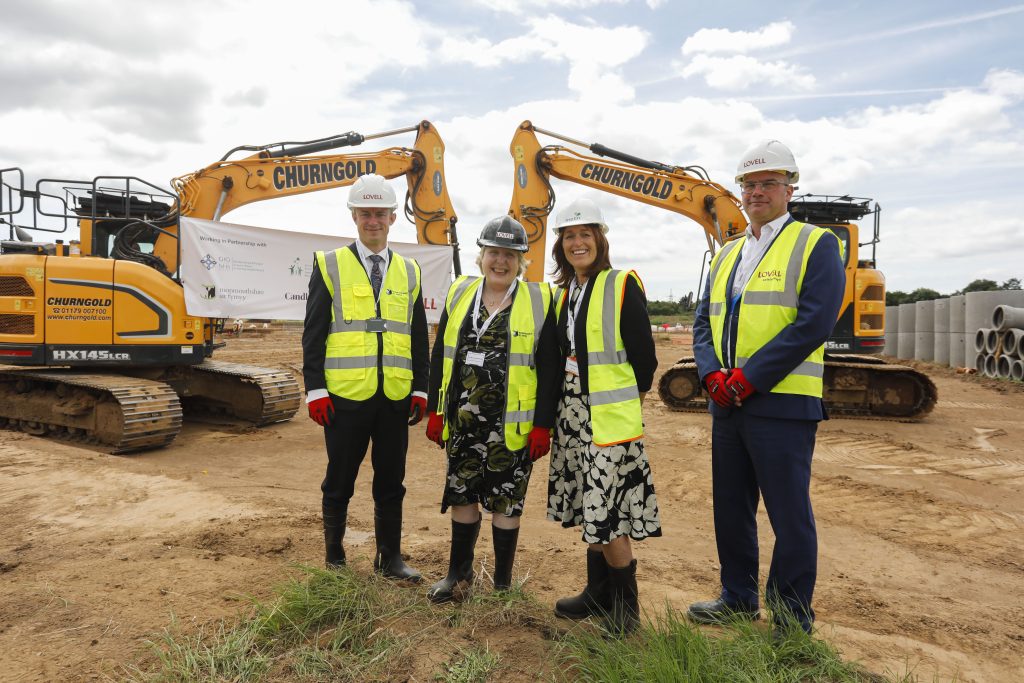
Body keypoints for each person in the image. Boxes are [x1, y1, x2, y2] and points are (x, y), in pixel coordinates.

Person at [687, 140, 845, 635]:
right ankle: (737, 597)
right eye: (749, 185)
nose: (757, 192)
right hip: (727, 404)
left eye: (768, 183)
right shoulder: (729, 252)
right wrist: (712, 374)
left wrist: (748, 378)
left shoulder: (816, 243)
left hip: (781, 404)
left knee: (788, 516)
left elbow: (814, 323)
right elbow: (702, 320)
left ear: (789, 189)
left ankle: (792, 616)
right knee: (731, 510)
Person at [424, 216, 559, 603]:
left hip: (511, 427)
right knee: (462, 494)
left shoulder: (538, 299)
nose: (501, 262)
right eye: (494, 253)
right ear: (481, 256)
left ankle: (501, 584)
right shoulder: (460, 292)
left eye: (510, 256)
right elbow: (441, 354)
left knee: (505, 500)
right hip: (463, 421)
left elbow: (549, 368)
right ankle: (458, 574)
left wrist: (542, 426)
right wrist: (437, 409)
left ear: (521, 261)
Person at [302, 173, 429, 582]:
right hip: (344, 398)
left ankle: (389, 559)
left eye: (380, 213)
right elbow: (314, 334)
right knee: (339, 480)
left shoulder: (409, 271)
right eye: (365, 213)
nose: (373, 220)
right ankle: (335, 560)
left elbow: (418, 336)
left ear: (393, 217)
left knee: (391, 482)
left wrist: (421, 387)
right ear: (354, 216)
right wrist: (315, 390)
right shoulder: (330, 264)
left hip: (394, 397)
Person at [546, 197, 660, 636]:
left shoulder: (621, 283)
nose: (578, 242)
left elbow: (645, 361)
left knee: (607, 511)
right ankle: (597, 592)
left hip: (608, 418)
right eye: (570, 236)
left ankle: (625, 611)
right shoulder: (565, 293)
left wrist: (630, 408)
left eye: (585, 234)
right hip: (572, 414)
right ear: (561, 245)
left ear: (600, 239)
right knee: (588, 506)